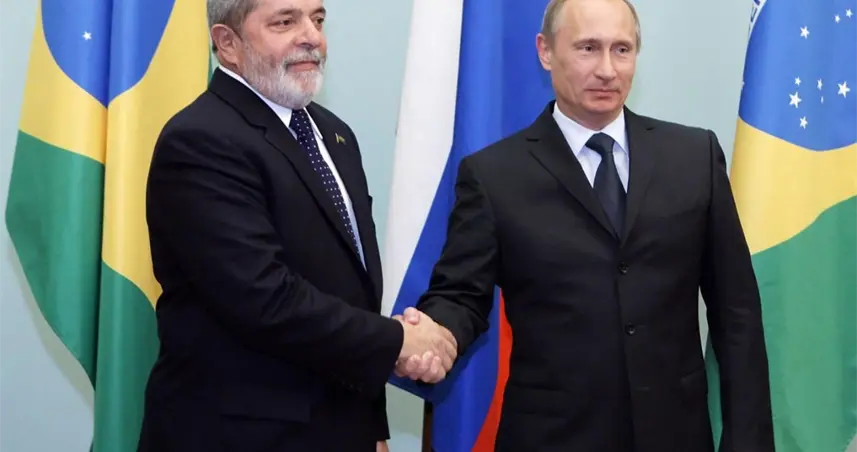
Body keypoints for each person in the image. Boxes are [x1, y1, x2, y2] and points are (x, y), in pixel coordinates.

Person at [395, 0, 775, 450]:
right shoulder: (494, 175)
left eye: (622, 49)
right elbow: (461, 295)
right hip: (553, 437)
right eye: (588, 48)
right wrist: (436, 333)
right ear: (545, 51)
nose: (607, 70)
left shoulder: (694, 157)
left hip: (675, 434)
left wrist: (748, 441)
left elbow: (737, 313)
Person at [137, 0, 455, 451]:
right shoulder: (200, 140)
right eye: (285, 21)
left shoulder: (334, 135)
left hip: (339, 429)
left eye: (317, 19)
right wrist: (399, 341)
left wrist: (372, 427)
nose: (312, 36)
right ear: (228, 43)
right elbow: (265, 298)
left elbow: (353, 291)